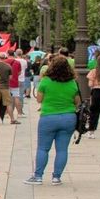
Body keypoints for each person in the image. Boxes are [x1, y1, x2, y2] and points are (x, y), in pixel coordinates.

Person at [28, 54, 80, 184]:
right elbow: (77, 101)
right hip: (68, 117)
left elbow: (39, 99)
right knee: (62, 149)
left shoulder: (46, 81)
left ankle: (38, 176)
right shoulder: (72, 82)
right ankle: (56, 177)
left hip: (49, 117)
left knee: (43, 148)